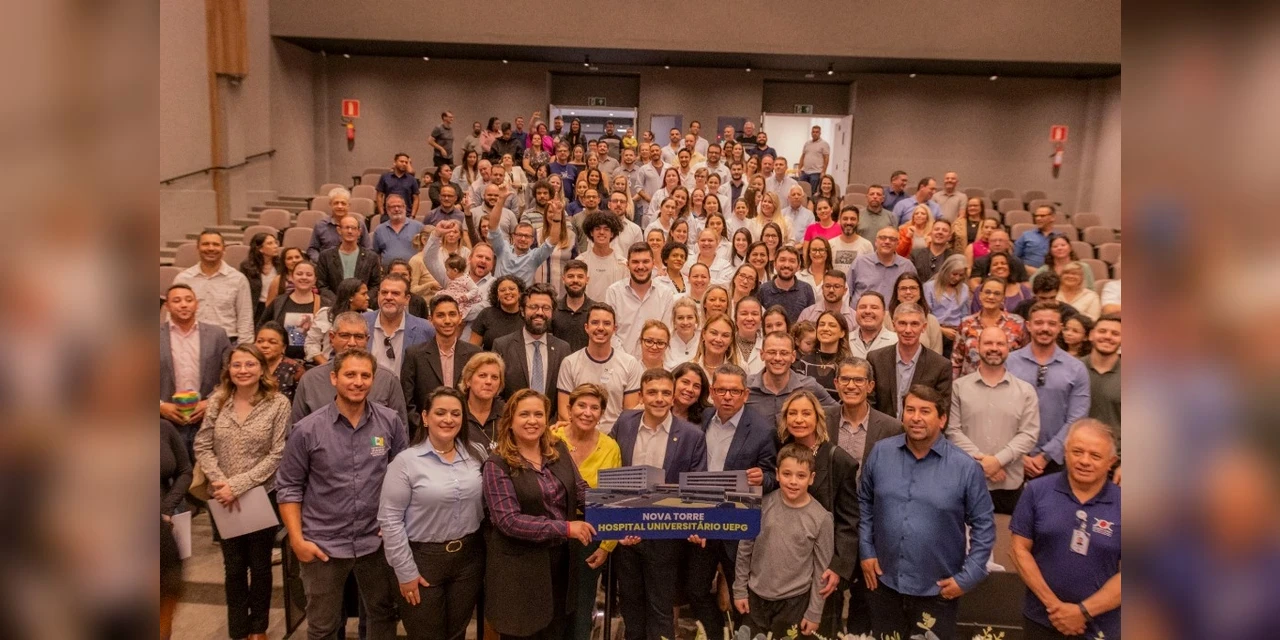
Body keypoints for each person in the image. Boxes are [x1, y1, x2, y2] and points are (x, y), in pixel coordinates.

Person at [276, 349, 407, 640]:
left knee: (383, 616)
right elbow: (288, 486)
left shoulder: (390, 422)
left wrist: (396, 525)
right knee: (323, 626)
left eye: (365, 375)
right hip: (323, 544)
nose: (358, 381)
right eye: (350, 374)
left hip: (376, 542)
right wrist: (297, 541)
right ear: (334, 378)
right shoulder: (307, 430)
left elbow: (403, 478)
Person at [858, 386, 996, 640]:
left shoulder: (965, 468)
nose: (916, 417)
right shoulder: (881, 453)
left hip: (938, 593)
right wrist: (866, 551)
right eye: (910, 410)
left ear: (942, 419)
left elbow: (984, 526)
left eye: (925, 411)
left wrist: (968, 578)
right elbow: (864, 502)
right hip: (883, 584)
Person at [193, 343, 290, 640]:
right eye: (237, 365)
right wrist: (222, 483)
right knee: (233, 567)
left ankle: (258, 627)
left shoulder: (278, 403)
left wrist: (237, 485)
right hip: (222, 497)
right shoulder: (218, 401)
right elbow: (202, 445)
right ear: (229, 370)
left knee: (260, 565)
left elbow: (278, 454)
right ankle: (238, 629)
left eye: (250, 364)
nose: (243, 370)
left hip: (260, 494)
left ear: (261, 368)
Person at [482, 389, 594, 639]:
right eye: (524, 414)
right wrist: (566, 528)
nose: (532, 420)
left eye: (538, 414)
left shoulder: (558, 450)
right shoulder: (497, 464)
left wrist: (620, 518)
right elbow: (509, 522)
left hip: (561, 568)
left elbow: (580, 492)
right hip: (521, 574)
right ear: (510, 421)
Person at [377, 387, 486, 640]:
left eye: (455, 414)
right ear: (425, 418)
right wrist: (405, 572)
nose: (448, 419)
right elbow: (390, 521)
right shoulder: (405, 462)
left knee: (457, 633)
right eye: (440, 412)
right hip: (421, 560)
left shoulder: (476, 454)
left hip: (468, 559)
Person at [611, 369, 708, 640]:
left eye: (666, 392)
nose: (659, 398)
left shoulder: (691, 435)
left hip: (665, 535)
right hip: (626, 532)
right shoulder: (624, 422)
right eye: (652, 392)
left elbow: (697, 487)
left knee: (661, 611)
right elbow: (610, 467)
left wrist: (696, 523)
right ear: (641, 395)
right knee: (630, 607)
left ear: (673, 395)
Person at [685, 363, 778, 633]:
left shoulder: (762, 430)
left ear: (745, 394)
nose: (728, 396)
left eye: (734, 391)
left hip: (736, 528)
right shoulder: (699, 420)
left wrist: (764, 478)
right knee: (695, 589)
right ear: (712, 392)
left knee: (742, 597)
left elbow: (772, 476)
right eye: (722, 390)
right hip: (701, 521)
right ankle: (716, 635)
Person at [1009, 419, 1122, 640]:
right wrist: (1056, 609)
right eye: (1077, 452)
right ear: (1065, 452)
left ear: (1111, 462)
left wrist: (1082, 612)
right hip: (1041, 620)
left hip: (1102, 626)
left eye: (1095, 456)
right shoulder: (1036, 490)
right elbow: (1018, 550)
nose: (1084, 461)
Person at [772, 393, 856, 636]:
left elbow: (849, 520)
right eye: (792, 413)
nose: (799, 420)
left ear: (818, 418)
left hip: (821, 567)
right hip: (785, 564)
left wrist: (838, 567)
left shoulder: (838, 460)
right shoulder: (780, 452)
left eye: (806, 413)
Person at [733, 441, 834, 638]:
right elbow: (745, 549)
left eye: (801, 476)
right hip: (756, 597)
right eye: (787, 474)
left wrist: (814, 612)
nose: (793, 481)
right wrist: (739, 590)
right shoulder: (760, 506)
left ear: (811, 478)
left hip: (794, 602)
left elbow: (822, 569)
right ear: (777, 474)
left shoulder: (821, 518)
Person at [550, 383, 623, 640]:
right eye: (581, 405)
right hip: (551, 535)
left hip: (589, 537)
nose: (587, 412)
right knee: (550, 605)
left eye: (595, 408)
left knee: (582, 608)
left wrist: (606, 546)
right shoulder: (550, 439)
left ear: (602, 414)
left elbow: (615, 500)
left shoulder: (610, 447)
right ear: (568, 410)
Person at [946, 327, 1042, 514]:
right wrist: (984, 465)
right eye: (988, 343)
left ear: (1008, 348)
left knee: (1005, 542)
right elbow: (952, 431)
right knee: (964, 541)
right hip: (966, 482)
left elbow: (1029, 434)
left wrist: (998, 461)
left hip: (1008, 485)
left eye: (1000, 343)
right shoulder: (959, 387)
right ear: (978, 347)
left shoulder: (1025, 391)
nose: (994, 348)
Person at [1007, 302, 1091, 480]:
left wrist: (1046, 456)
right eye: (1038, 323)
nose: (1045, 328)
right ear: (1028, 326)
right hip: (1010, 458)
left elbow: (1077, 418)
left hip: (1056, 463)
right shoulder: (1009, 362)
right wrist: (1017, 454)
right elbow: (998, 411)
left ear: (1060, 328)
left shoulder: (1076, 368)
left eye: (1052, 324)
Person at [290, 311, 408, 425]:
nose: (352, 343)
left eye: (358, 336)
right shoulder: (311, 380)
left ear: (367, 340)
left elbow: (400, 433)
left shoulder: (387, 380)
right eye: (345, 336)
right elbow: (295, 433)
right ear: (332, 337)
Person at [161, 282, 233, 452]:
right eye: (177, 300)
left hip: (208, 417)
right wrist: (160, 406)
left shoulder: (217, 335)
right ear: (167, 306)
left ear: (197, 304)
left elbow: (230, 375)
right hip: (165, 419)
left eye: (188, 300)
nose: (184, 304)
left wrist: (211, 402)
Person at [401, 293, 482, 436]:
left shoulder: (474, 354)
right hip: (425, 435)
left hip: (467, 433)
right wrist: (424, 428)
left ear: (460, 317)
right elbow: (407, 401)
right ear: (431, 320)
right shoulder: (414, 355)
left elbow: (480, 396)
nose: (447, 320)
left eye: (452, 314)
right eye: (440, 315)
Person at [557, 304, 643, 433]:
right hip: (579, 436)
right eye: (595, 322)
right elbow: (564, 411)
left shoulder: (630, 363)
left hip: (615, 438)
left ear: (614, 329)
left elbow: (629, 413)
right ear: (586, 327)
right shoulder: (569, 363)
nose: (600, 328)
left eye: (607, 323)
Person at [867, 303, 952, 419]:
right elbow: (869, 403)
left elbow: (941, 411)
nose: (908, 330)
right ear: (893, 325)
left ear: (924, 327)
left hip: (921, 433)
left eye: (914, 324)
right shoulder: (876, 359)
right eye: (902, 323)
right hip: (882, 432)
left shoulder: (940, 365)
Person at [494, 283, 570, 409]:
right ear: (523, 311)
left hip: (551, 426)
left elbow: (566, 394)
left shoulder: (563, 349)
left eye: (546, 308)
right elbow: (494, 392)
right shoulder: (502, 346)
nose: (539, 312)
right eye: (533, 307)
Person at [175, 230, 254, 344]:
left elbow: (245, 318)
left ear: (224, 249)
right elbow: (173, 315)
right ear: (197, 248)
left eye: (216, 244)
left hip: (226, 342)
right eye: (205, 244)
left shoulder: (238, 279)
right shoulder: (183, 279)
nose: (211, 248)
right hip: (189, 341)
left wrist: (244, 349)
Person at [605, 243, 677, 358]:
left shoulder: (666, 294)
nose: (640, 266)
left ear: (653, 263)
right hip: (621, 362)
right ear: (627, 264)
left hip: (654, 362)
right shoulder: (614, 292)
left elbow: (667, 332)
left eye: (645, 261)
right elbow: (609, 332)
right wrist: (626, 360)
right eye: (635, 262)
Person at [746, 332, 839, 418]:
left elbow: (838, 413)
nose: (778, 358)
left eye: (784, 353)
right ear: (762, 355)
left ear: (793, 356)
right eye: (772, 352)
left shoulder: (809, 386)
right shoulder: (746, 386)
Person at [952, 277, 1029, 378]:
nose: (991, 296)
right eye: (987, 292)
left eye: (997, 293)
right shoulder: (966, 323)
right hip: (971, 385)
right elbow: (956, 361)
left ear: (1003, 298)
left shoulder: (1017, 323)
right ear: (980, 295)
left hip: (1008, 384)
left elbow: (1025, 358)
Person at [258, 259, 331, 359]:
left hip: (315, 363)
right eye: (299, 274)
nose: (304, 277)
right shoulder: (278, 302)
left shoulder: (325, 304)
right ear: (292, 277)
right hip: (281, 361)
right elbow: (262, 326)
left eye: (309, 275)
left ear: (315, 279)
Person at [364, 274, 433, 375]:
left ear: (407, 299)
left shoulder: (425, 330)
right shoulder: (361, 322)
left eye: (395, 293)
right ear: (378, 295)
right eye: (384, 292)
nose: (388, 297)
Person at [1082, 315, 1121, 457]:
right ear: (1091, 335)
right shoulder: (1073, 369)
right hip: (1075, 455)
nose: (1108, 337)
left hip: (1115, 458)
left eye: (1115, 334)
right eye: (1102, 331)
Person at [306, 278, 369, 365]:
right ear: (351, 297)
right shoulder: (326, 314)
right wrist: (325, 365)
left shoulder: (370, 316)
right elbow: (311, 343)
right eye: (363, 294)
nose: (368, 297)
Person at [316, 214, 383, 296]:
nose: (350, 231)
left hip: (363, 306)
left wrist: (361, 300)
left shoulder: (371, 257)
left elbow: (375, 286)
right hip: (333, 305)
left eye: (354, 228)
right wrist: (338, 303)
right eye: (346, 228)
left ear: (359, 232)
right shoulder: (325, 256)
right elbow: (322, 285)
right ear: (339, 230)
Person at [848, 226, 917, 301]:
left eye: (892, 239)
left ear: (898, 244)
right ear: (876, 242)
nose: (887, 241)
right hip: (861, 311)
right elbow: (847, 292)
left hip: (894, 312)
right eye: (883, 238)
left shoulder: (907, 266)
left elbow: (914, 294)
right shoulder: (860, 262)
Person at [795, 311, 852, 397]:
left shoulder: (848, 365)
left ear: (842, 333)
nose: (825, 328)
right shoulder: (805, 362)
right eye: (821, 324)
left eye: (832, 325)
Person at [887, 272, 945, 355]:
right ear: (897, 293)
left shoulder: (931, 321)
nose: (908, 292)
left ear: (920, 293)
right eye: (903, 288)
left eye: (913, 288)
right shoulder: (885, 318)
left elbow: (937, 354)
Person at [307, 187, 371, 262]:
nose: (340, 206)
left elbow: (368, 249)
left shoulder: (359, 224)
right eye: (336, 203)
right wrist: (321, 262)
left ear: (349, 205)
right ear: (330, 205)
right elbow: (312, 249)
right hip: (327, 267)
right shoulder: (320, 225)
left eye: (343, 203)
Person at [757, 246, 816, 324]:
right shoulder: (762, 290)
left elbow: (810, 323)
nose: (787, 265)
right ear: (775, 264)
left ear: (798, 266)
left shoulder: (806, 289)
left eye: (792, 261)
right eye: (782, 260)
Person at [253, 321, 305, 402]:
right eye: (260, 341)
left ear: (283, 347)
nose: (264, 345)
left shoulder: (294, 369)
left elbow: (301, 404)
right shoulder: (247, 366)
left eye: (272, 342)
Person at [239, 231, 281, 321]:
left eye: (275, 242)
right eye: (270, 243)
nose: (275, 246)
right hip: (256, 308)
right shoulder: (247, 267)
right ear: (260, 249)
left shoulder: (281, 265)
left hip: (276, 307)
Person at [372, 194, 424, 264]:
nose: (396, 209)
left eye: (399, 206)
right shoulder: (379, 230)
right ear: (387, 209)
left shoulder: (419, 227)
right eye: (393, 207)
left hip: (414, 273)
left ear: (404, 207)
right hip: (388, 273)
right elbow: (375, 254)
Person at [376, 153, 421, 218]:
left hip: (406, 215)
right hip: (388, 215)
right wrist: (382, 213)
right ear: (395, 162)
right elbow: (379, 195)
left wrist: (413, 215)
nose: (404, 164)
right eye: (401, 161)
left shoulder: (412, 179)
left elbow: (416, 198)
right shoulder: (385, 177)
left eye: (406, 162)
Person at [665, 297, 701, 368]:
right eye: (680, 318)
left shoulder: (703, 341)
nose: (685, 322)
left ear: (696, 319)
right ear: (674, 320)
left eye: (690, 317)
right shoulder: (666, 341)